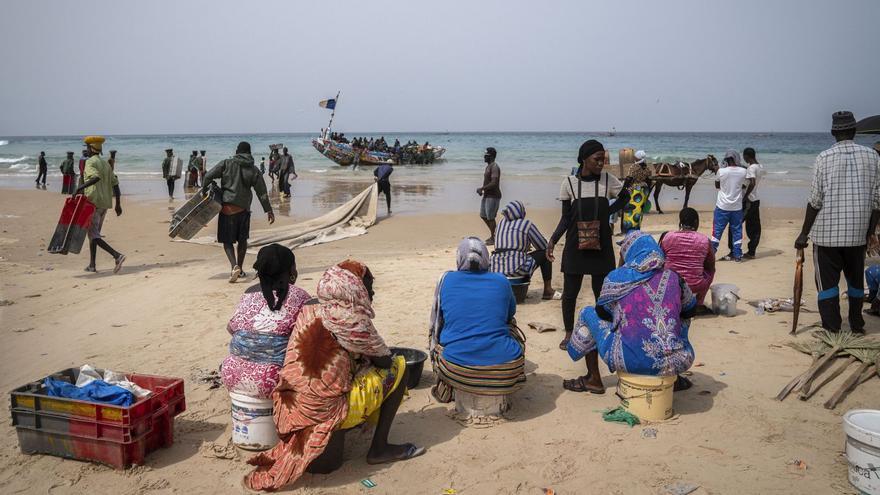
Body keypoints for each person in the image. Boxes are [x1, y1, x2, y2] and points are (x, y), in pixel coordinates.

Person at [243, 260, 424, 491]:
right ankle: (380, 447)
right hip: (324, 409)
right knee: (399, 367)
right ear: (353, 288)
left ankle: (349, 426)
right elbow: (385, 361)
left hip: (290, 407)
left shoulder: (309, 306)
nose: (372, 292)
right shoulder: (352, 318)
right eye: (367, 286)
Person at [565, 230, 697, 393]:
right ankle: (673, 377)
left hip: (632, 361)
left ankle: (593, 379)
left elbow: (603, 313)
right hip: (680, 360)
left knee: (588, 313)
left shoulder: (616, 278)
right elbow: (691, 309)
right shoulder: (674, 277)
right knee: (682, 312)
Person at [794, 111, 880, 334]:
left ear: (833, 132)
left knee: (827, 285)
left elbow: (815, 201)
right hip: (858, 234)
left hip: (827, 236)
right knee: (855, 283)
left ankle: (832, 328)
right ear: (854, 132)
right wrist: (870, 231)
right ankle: (857, 325)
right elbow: (877, 200)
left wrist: (804, 234)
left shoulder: (823, 158)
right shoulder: (873, 157)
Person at [546, 140, 631, 350]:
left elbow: (625, 197)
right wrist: (553, 240)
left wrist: (607, 212)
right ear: (584, 159)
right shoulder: (568, 183)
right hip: (575, 246)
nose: (601, 163)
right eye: (597, 159)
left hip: (601, 246)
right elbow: (566, 218)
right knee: (569, 293)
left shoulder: (608, 181)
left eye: (603, 159)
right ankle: (568, 334)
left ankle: (602, 331)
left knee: (601, 294)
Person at [429, 237, 526, 403]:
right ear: (486, 258)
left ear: (459, 258)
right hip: (508, 369)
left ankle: (448, 386)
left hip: (456, 368)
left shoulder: (446, 280)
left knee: (444, 336)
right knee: (512, 329)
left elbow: (437, 324)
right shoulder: (501, 280)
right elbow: (509, 316)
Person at [220, 244, 311, 399]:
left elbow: (231, 329)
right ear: (292, 271)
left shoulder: (248, 293)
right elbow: (309, 337)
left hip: (231, 376)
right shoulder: (301, 296)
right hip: (275, 381)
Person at [202, 141, 274, 283]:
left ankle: (234, 265)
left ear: (237, 151)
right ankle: (239, 269)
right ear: (249, 153)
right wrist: (268, 210)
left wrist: (204, 192)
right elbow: (262, 192)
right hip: (243, 210)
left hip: (227, 209)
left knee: (227, 241)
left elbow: (208, 176)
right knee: (242, 241)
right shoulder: (253, 169)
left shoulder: (226, 163)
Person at [76, 136, 125, 274]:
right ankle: (92, 265)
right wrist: (118, 204)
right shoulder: (106, 165)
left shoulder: (90, 162)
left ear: (91, 149)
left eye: (87, 148)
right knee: (94, 235)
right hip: (105, 204)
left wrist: (79, 189)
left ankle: (117, 255)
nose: (86, 150)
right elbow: (115, 184)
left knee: (93, 234)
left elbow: (95, 177)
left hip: (93, 203)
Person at [490, 201, 555, 299]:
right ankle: (548, 290)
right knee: (545, 253)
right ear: (520, 213)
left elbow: (502, 246)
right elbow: (543, 245)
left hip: (497, 270)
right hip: (517, 269)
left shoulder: (500, 224)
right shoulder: (526, 224)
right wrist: (525, 247)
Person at [660, 208, 715, 311]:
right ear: (696, 222)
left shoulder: (667, 237)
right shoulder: (704, 240)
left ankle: (667, 300)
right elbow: (711, 265)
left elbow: (660, 259)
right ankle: (699, 303)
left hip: (671, 284)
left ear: (680, 222)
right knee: (710, 271)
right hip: (696, 286)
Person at [711, 150, 750, 262]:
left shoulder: (721, 171)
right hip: (737, 207)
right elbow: (744, 185)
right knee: (737, 231)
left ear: (726, 160)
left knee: (717, 231)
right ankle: (737, 255)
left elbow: (717, 185)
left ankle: (712, 253)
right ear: (737, 159)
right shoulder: (743, 171)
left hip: (722, 206)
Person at [622, 150, 653, 232]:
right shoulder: (647, 168)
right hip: (644, 191)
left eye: (635, 157)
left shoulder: (634, 167)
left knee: (630, 209)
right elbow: (649, 181)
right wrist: (648, 192)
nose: (634, 158)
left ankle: (628, 229)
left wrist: (623, 189)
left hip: (634, 191)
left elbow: (629, 179)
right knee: (639, 210)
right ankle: (637, 228)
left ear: (637, 158)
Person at [477, 147, 502, 245]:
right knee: (483, 215)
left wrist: (482, 188)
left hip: (493, 196)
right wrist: (483, 190)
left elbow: (494, 182)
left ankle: (494, 237)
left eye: (486, 155)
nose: (484, 157)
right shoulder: (488, 166)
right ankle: (495, 235)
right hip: (487, 195)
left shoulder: (494, 167)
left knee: (491, 217)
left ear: (490, 156)